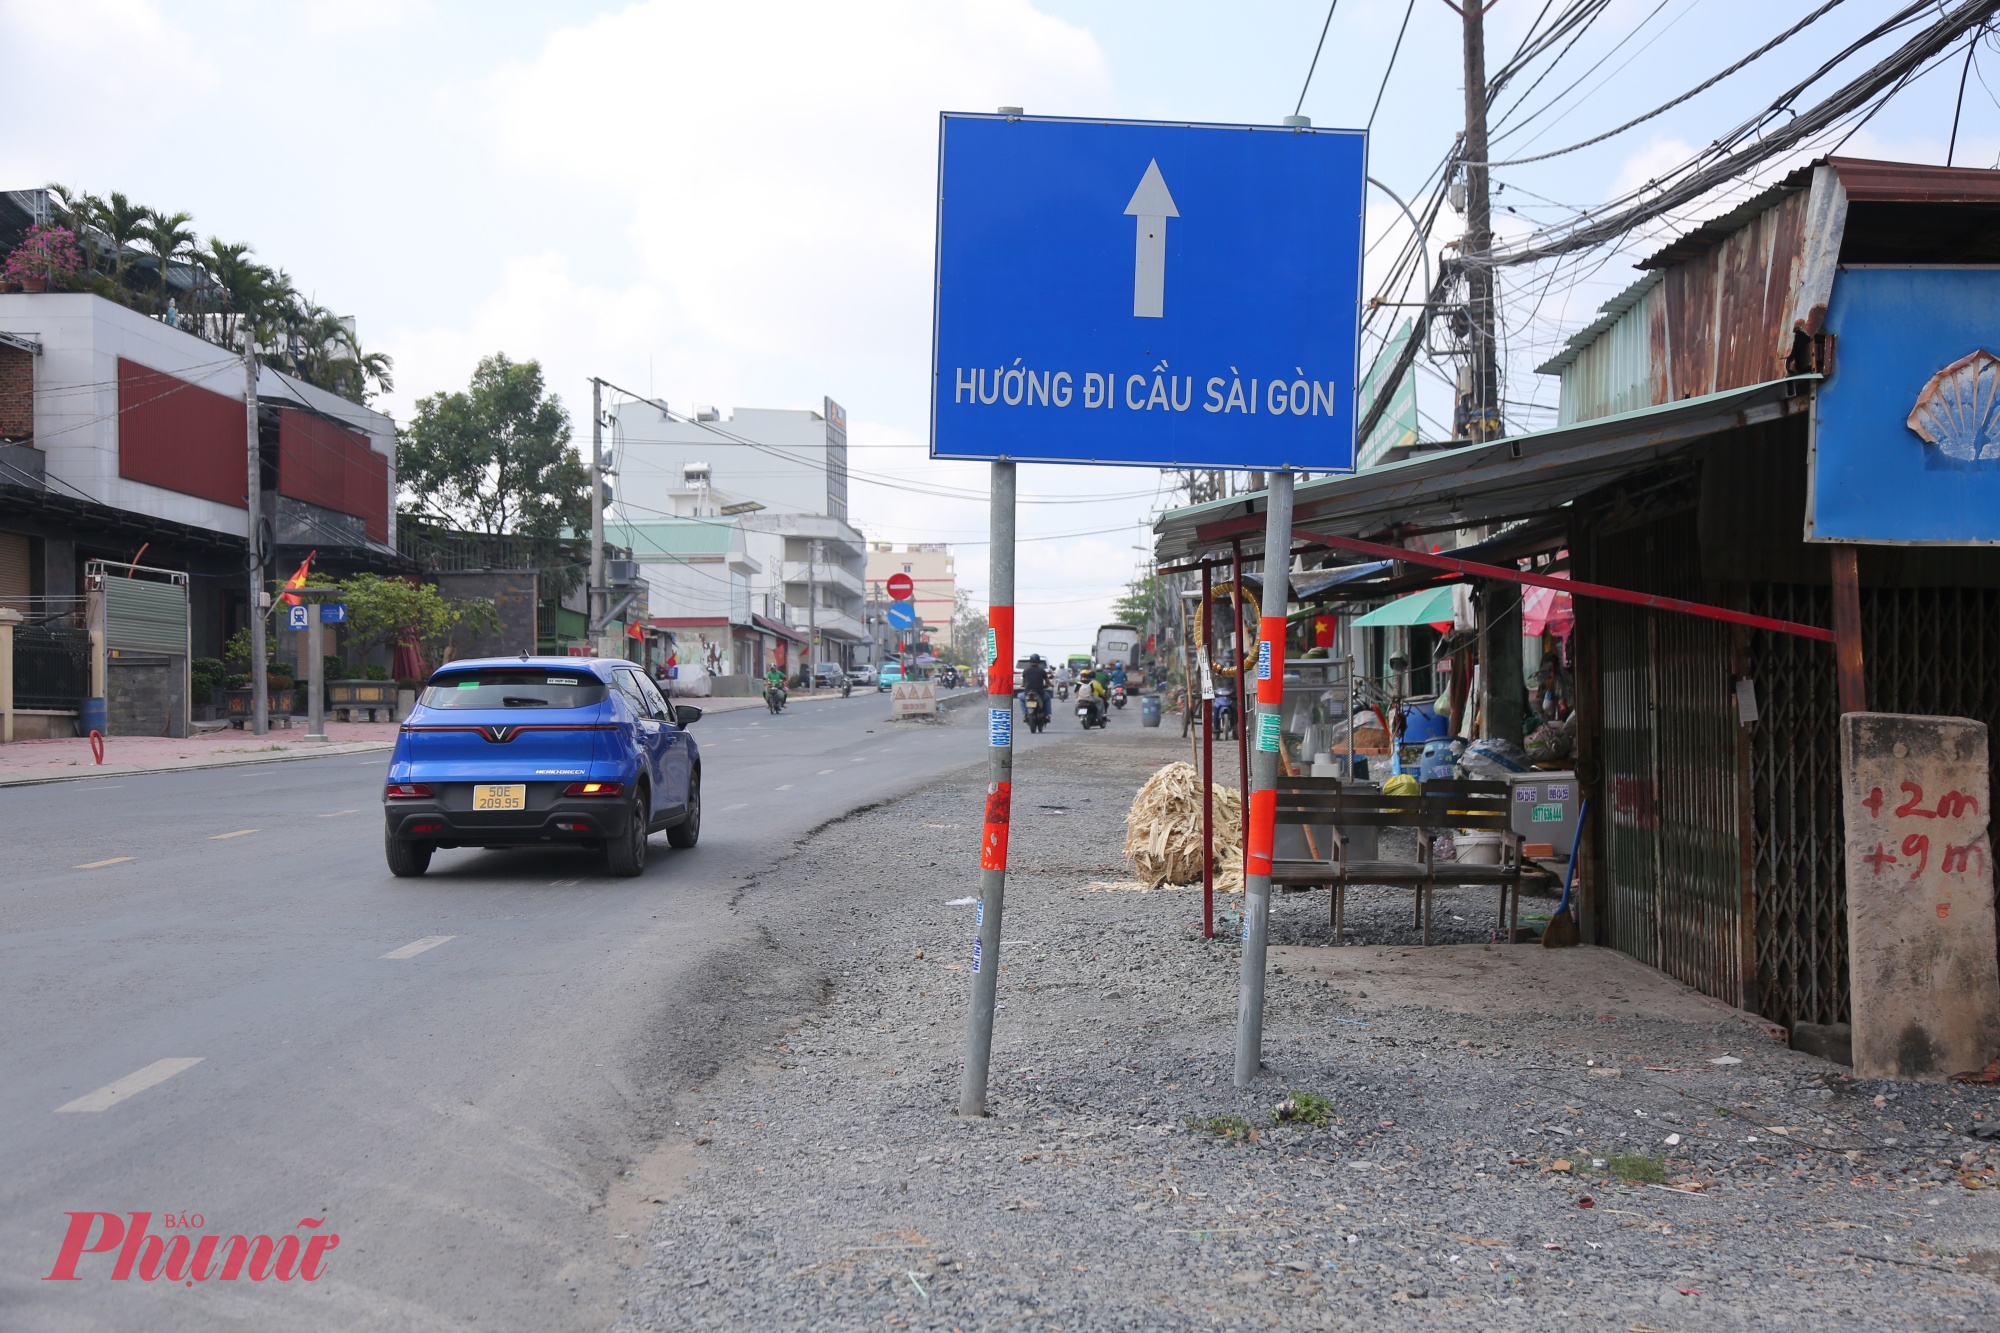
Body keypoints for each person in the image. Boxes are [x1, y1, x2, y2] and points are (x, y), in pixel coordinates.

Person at [1020, 654, 1052, 722]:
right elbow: (1047, 681)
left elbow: (1023, 681)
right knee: (1047, 699)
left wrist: (1023, 685)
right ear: (1039, 661)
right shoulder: (1042, 670)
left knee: (1021, 698)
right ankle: (1047, 715)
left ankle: (1025, 714)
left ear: (1030, 661)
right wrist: (1051, 685)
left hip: (1028, 692)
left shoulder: (1026, 670)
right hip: (1039, 692)